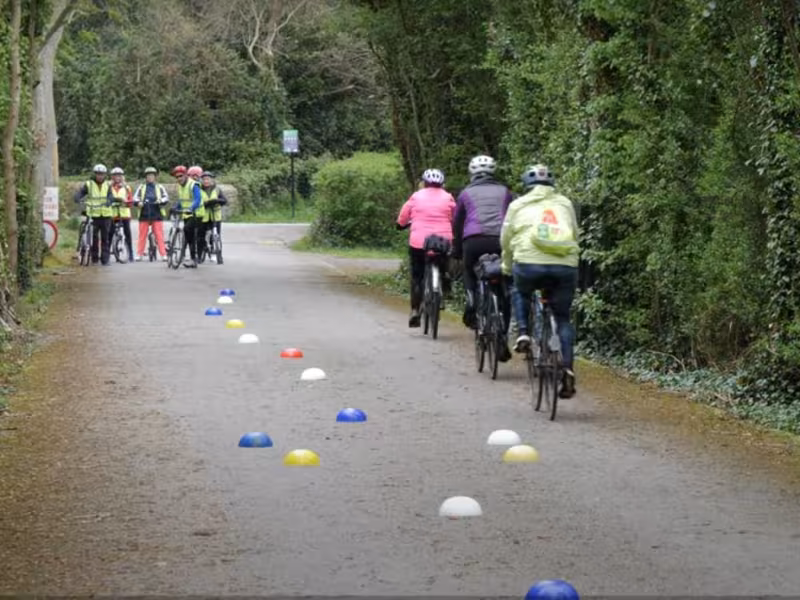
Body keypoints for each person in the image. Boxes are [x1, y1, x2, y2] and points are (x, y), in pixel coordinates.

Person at [500, 164, 580, 398]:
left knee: (520, 290)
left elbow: (506, 239)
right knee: (563, 318)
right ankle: (567, 366)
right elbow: (573, 233)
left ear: (527, 185)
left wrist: (507, 265)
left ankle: (524, 332)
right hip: (565, 265)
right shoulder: (565, 203)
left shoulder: (517, 205)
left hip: (528, 263)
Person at [452, 154, 514, 360]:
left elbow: (458, 223)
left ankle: (471, 302)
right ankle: (502, 333)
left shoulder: (465, 193)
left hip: (474, 240)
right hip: (500, 239)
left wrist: (457, 250)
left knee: (470, 271)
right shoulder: (505, 191)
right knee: (503, 280)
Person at [396, 168, 456, 327]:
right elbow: (455, 217)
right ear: (442, 183)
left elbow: (403, 217)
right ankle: (444, 285)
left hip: (419, 242)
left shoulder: (416, 196)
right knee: (443, 262)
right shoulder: (448, 197)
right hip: (443, 241)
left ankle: (415, 310)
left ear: (424, 182)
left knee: (417, 276)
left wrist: (401, 225)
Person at [73, 163, 113, 265]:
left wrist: (109, 201)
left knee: (105, 238)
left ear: (105, 175)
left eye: (102, 174)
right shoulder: (89, 184)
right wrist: (77, 198)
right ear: (95, 174)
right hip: (93, 215)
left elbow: (110, 196)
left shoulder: (107, 185)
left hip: (105, 214)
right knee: (94, 237)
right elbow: (81, 193)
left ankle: (105, 259)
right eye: (98, 174)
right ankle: (94, 258)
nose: (100, 176)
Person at [133, 166, 169, 261]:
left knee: (159, 235)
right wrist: (138, 203)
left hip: (156, 213)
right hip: (144, 214)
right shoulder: (141, 187)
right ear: (146, 177)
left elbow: (166, 197)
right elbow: (135, 198)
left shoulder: (159, 187)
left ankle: (163, 254)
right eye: (148, 176)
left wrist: (160, 201)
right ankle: (139, 254)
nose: (150, 177)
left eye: (152, 175)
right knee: (142, 235)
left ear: (155, 177)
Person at [172, 164, 204, 268]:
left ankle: (193, 259)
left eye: (180, 176)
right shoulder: (181, 186)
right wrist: (174, 207)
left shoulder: (193, 185)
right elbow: (181, 201)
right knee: (188, 235)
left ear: (186, 175)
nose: (179, 178)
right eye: (176, 177)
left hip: (197, 213)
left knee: (188, 231)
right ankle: (191, 258)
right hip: (187, 214)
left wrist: (191, 208)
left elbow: (197, 199)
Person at [199, 171, 228, 264]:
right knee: (201, 237)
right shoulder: (199, 189)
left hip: (215, 216)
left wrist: (217, 201)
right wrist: (205, 204)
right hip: (204, 216)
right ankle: (200, 254)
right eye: (204, 179)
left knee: (215, 236)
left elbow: (224, 200)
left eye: (208, 179)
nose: (206, 181)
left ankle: (215, 253)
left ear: (211, 180)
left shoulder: (217, 189)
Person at [109, 167, 134, 262]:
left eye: (119, 175)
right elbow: (108, 198)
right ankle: (107, 253)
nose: (117, 177)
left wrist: (129, 203)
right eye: (115, 175)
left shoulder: (127, 187)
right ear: (112, 177)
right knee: (110, 233)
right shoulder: (109, 187)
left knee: (128, 233)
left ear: (122, 177)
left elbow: (130, 199)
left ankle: (130, 253)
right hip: (113, 213)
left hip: (124, 213)